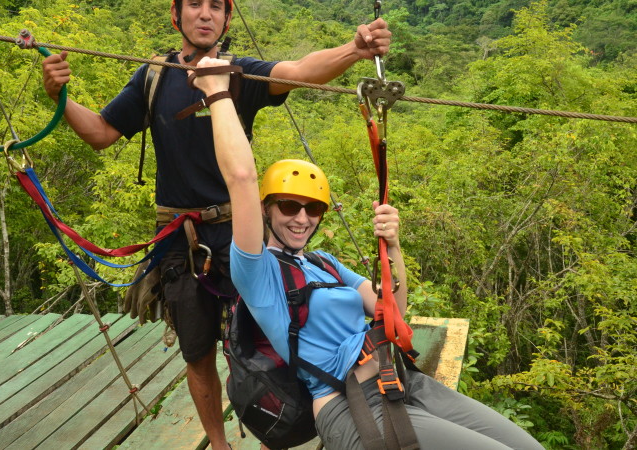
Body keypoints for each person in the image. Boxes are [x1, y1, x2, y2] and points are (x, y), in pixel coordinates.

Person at [41, 1, 391, 448]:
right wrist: (60, 97)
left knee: (274, 341)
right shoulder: (153, 77)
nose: (204, 14)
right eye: (194, 4)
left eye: (215, 7)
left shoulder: (239, 74)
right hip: (179, 242)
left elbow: (301, 70)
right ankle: (219, 445)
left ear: (227, 19)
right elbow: (101, 133)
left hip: (239, 235)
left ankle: (274, 436)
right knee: (198, 350)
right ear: (176, 16)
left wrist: (355, 50)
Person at [191, 57, 546, 449]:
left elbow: (391, 311)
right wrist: (218, 92)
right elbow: (241, 178)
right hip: (352, 404)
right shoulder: (258, 273)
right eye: (289, 206)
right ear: (266, 209)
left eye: (313, 210)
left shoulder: (323, 263)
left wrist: (394, 247)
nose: (302, 219)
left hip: (402, 380)